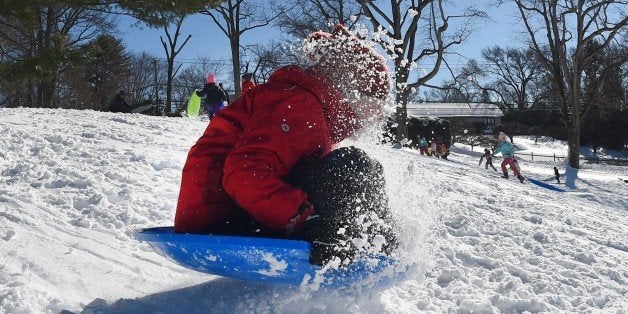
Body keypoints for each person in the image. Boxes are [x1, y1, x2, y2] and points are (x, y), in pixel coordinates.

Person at [174, 25, 397, 265]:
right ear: (353, 91)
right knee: (352, 165)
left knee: (343, 168)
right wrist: (304, 219)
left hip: (231, 211)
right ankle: (377, 246)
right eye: (376, 104)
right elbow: (243, 172)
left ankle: (373, 242)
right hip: (220, 217)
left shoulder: (313, 107)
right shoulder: (300, 103)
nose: (379, 116)